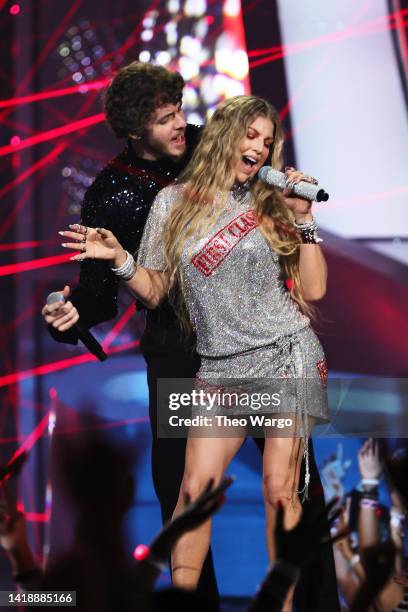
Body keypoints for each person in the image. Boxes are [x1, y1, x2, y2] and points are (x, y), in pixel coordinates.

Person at [59, 95, 334, 611]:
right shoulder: (173, 202)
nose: (260, 148)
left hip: (282, 354)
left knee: (280, 486)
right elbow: (158, 289)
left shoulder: (271, 202)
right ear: (226, 135)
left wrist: (304, 218)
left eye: (268, 141)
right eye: (251, 135)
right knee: (193, 493)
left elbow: (314, 290)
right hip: (219, 366)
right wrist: (120, 259)